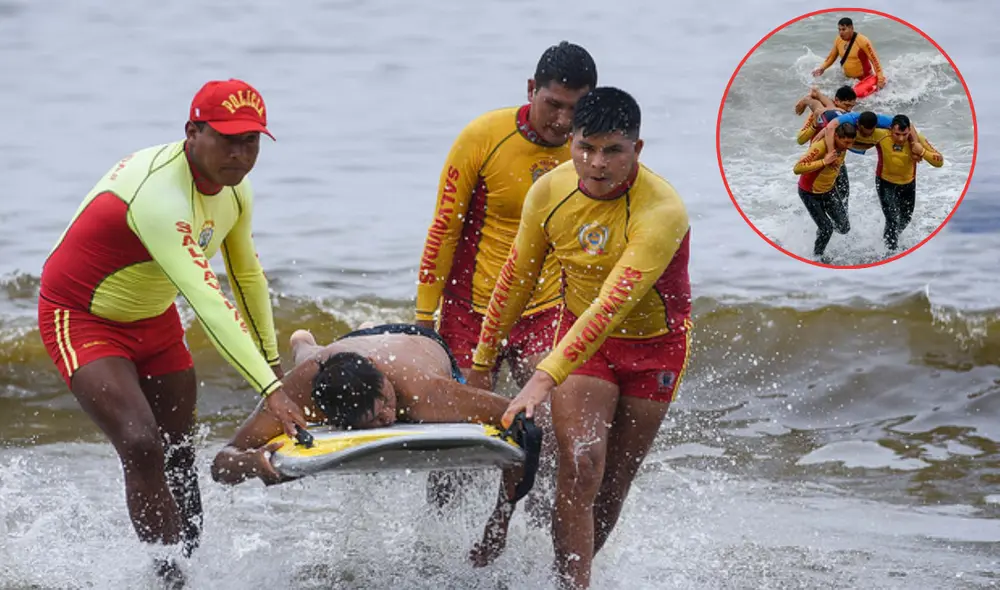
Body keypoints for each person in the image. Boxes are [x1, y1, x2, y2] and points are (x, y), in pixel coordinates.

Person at [36, 79, 307, 575]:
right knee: (141, 444)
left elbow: (246, 277)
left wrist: (272, 364)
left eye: (250, 141)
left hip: (154, 316)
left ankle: (191, 570)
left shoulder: (235, 190)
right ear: (192, 132)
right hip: (81, 316)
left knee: (179, 450)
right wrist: (270, 391)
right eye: (227, 139)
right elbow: (208, 299)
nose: (240, 155)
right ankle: (168, 577)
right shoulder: (159, 195)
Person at [466, 87, 692, 590]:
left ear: (637, 148)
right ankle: (572, 585)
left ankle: (566, 575)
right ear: (571, 141)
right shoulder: (549, 191)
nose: (597, 163)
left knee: (612, 484)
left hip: (655, 349)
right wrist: (482, 362)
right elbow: (516, 279)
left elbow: (610, 307)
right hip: (583, 344)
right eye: (585, 147)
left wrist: (542, 378)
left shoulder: (662, 210)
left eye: (613, 150)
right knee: (582, 464)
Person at [413, 40, 597, 507]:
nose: (562, 120)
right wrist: (423, 319)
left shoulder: (591, 154)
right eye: (553, 104)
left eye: (574, 109)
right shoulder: (483, 136)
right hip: (471, 310)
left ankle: (516, 525)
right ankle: (439, 530)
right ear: (531, 89)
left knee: (552, 426)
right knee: (459, 434)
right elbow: (444, 228)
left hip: (545, 310)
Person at [211, 324, 535, 504]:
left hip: (415, 342)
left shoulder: (427, 393)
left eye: (388, 403)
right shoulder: (296, 399)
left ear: (384, 382)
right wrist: (253, 464)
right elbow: (222, 462)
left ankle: (361, 332)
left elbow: (522, 421)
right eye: (377, 420)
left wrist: (502, 517)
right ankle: (302, 341)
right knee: (309, 358)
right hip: (341, 353)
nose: (390, 417)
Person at [870, 115, 945, 251]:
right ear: (890, 129)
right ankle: (890, 252)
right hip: (885, 183)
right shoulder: (880, 135)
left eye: (904, 134)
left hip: (908, 184)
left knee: (905, 219)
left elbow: (939, 162)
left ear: (909, 131)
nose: (901, 139)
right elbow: (855, 135)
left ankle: (889, 239)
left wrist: (922, 151)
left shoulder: (917, 140)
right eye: (897, 134)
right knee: (892, 219)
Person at [793, 122, 858, 260]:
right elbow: (797, 168)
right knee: (827, 228)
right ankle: (817, 258)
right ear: (836, 137)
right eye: (846, 142)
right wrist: (824, 162)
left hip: (829, 191)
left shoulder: (844, 146)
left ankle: (821, 228)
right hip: (809, 193)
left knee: (844, 227)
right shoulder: (820, 146)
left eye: (851, 143)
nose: (848, 146)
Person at [812, 16, 886, 99]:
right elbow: (832, 57)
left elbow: (875, 60)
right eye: (839, 30)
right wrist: (822, 68)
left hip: (864, 79)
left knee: (856, 101)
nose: (841, 33)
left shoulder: (862, 41)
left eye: (844, 29)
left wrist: (880, 80)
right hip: (848, 79)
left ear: (851, 28)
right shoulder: (838, 40)